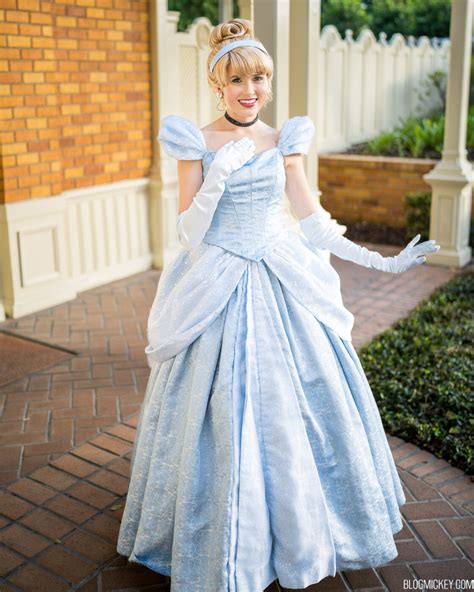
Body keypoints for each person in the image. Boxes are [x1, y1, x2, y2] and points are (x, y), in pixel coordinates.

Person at [116, 18, 440, 592]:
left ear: (268, 82)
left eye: (259, 78)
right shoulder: (196, 140)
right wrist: (222, 174)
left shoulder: (284, 140)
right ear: (218, 85)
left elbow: (312, 223)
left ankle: (308, 531)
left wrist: (382, 262)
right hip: (215, 276)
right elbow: (190, 232)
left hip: (280, 267)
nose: (250, 89)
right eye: (237, 79)